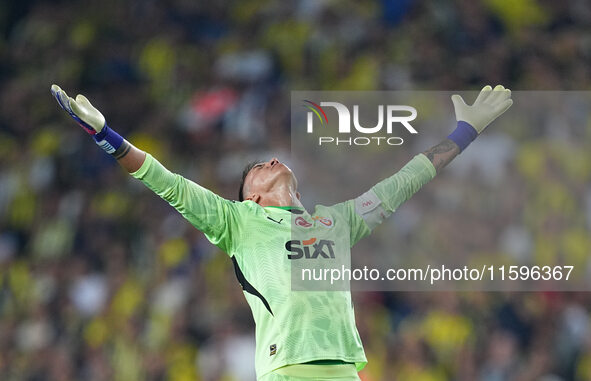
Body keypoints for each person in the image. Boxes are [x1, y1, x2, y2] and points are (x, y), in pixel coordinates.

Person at [51, 84, 512, 380]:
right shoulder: (238, 222)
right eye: (256, 168)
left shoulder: (337, 222)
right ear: (250, 196)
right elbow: (167, 183)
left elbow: (406, 180)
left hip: (344, 370)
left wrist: (467, 131)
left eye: (270, 158)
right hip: (287, 370)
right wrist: (106, 136)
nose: (269, 161)